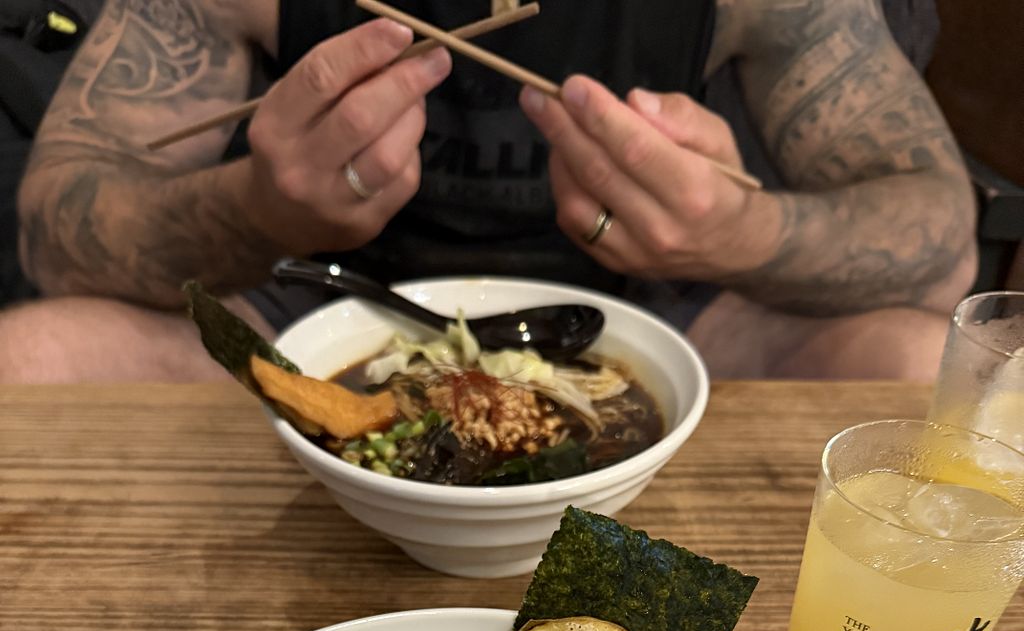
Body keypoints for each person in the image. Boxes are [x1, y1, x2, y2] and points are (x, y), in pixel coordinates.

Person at [1, 0, 977, 382]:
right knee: (32, 360)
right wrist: (256, 209)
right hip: (318, 308)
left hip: (655, 315)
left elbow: (941, 242)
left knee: (920, 364)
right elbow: (55, 225)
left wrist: (741, 232)